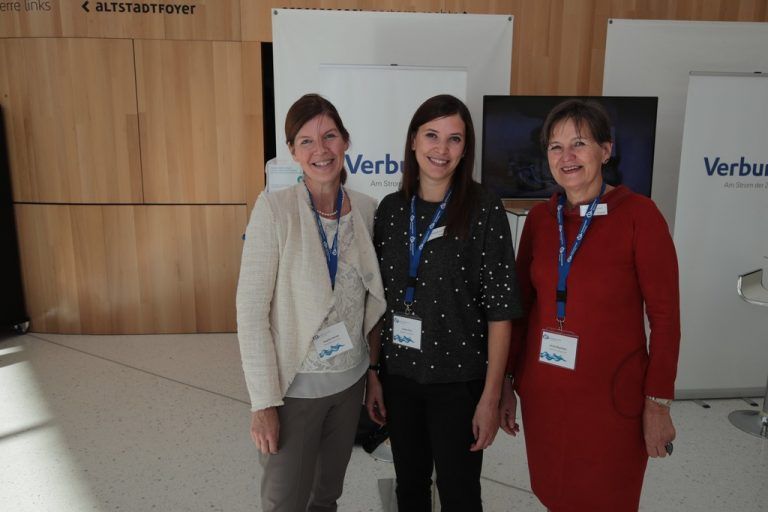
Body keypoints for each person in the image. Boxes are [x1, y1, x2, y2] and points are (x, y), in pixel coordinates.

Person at [500, 99, 680, 511]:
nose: (567, 157)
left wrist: (658, 404)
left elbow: (667, 321)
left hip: (611, 401)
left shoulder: (640, 217)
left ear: (605, 150)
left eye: (579, 143)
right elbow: (522, 309)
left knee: (606, 498)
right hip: (545, 394)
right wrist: (509, 382)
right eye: (555, 146)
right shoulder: (541, 222)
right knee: (553, 492)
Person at [365, 94, 522, 512]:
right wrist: (375, 373)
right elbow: (379, 303)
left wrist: (491, 397)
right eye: (432, 135)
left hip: (459, 382)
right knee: (409, 488)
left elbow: (501, 311)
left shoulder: (484, 208)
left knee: (460, 494)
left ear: (465, 148)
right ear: (414, 140)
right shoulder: (392, 211)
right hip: (400, 378)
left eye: (454, 139)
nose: (441, 149)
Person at [236, 93, 386, 512]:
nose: (320, 150)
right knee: (285, 501)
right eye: (306, 141)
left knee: (326, 497)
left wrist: (373, 374)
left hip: (349, 384)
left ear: (345, 141)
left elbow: (374, 305)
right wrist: (262, 403)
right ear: (292, 151)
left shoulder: (369, 211)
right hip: (293, 392)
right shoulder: (274, 210)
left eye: (330, 136)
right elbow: (250, 314)